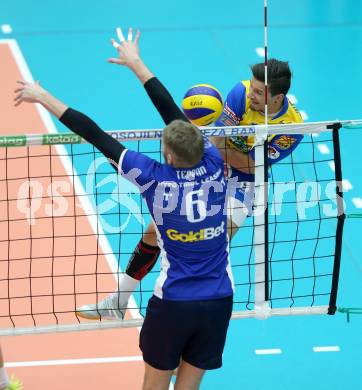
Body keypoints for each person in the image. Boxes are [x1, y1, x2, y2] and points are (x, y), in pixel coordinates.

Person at [14, 29, 234, 390]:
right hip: (219, 300)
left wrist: (42, 96)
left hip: (175, 302)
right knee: (190, 385)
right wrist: (137, 63)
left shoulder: (151, 178)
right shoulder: (212, 161)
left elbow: (96, 135)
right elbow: (172, 113)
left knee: (153, 383)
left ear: (168, 155)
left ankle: (118, 299)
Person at [75, 28, 304, 321]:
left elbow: (250, 168)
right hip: (212, 171)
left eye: (260, 92)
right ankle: (118, 301)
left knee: (211, 245)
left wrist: (221, 150)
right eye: (253, 88)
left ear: (278, 97)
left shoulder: (291, 127)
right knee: (153, 233)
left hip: (243, 186)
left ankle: (190, 318)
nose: (252, 94)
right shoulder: (240, 92)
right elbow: (217, 144)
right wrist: (219, 151)